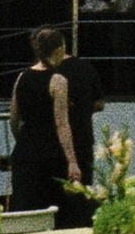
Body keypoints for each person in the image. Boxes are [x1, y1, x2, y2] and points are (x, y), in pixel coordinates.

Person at [7, 28, 94, 220]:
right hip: (52, 154)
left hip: (25, 151)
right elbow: (62, 124)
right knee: (57, 213)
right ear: (58, 49)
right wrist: (72, 161)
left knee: (25, 210)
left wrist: (23, 141)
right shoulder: (58, 81)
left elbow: (13, 118)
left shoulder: (21, 77)